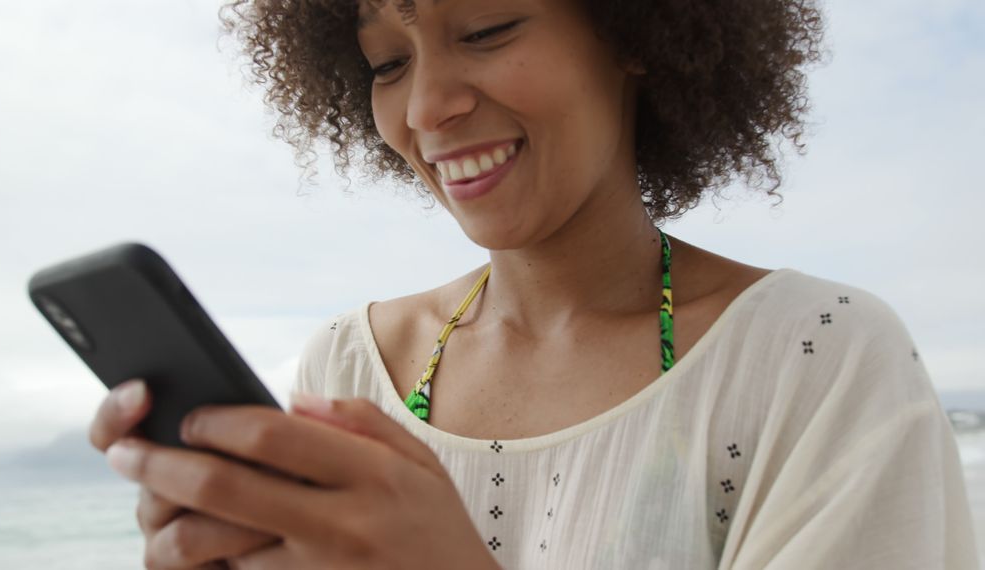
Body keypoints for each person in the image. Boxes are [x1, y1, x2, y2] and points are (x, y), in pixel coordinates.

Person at [89, 0, 980, 568]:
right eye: (387, 63)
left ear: (630, 31)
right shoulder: (352, 368)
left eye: (483, 30)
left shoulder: (817, 356)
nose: (428, 105)